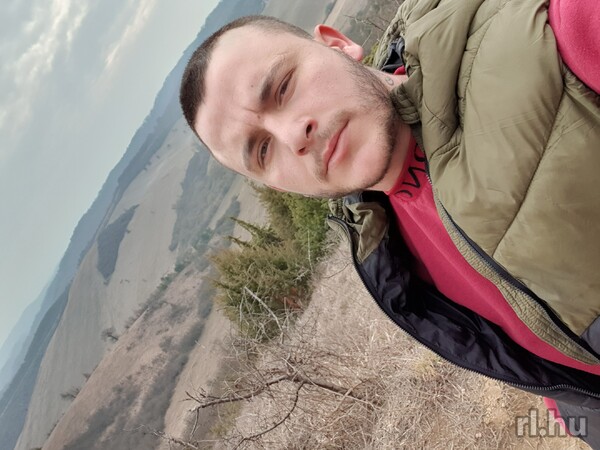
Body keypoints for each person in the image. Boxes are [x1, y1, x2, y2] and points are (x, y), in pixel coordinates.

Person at [180, 0, 600, 446]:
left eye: (283, 87)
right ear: (276, 185)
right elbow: (537, 350)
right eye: (263, 151)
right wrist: (574, 417)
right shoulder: (386, 257)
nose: (292, 136)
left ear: (339, 45)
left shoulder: (547, 40)